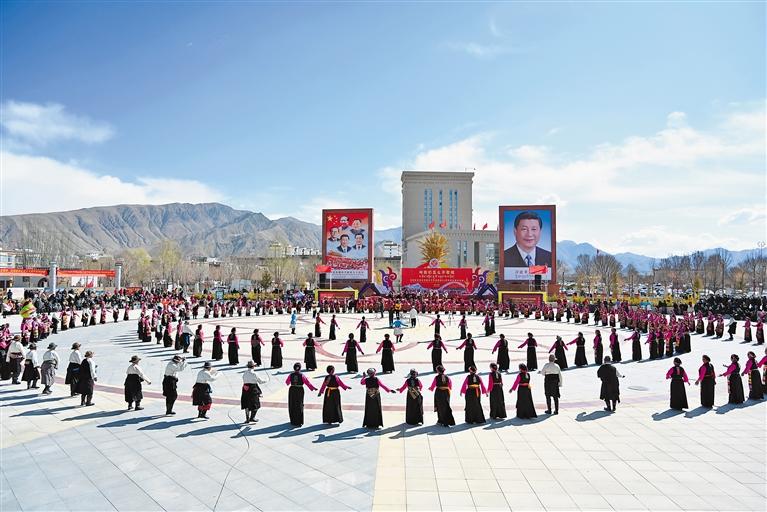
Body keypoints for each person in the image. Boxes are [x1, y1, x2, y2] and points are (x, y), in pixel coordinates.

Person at [285, 362, 317, 426]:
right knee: (299, 404)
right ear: (300, 368)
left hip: (292, 390)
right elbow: (307, 383)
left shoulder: (291, 375)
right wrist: (313, 388)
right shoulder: (302, 375)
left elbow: (287, 382)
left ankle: (293, 420)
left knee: (292, 404)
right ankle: (299, 421)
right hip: (299, 390)